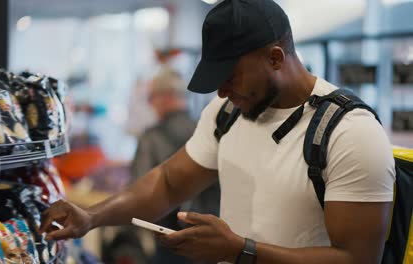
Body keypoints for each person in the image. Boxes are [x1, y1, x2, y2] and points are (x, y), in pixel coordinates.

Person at [40, 1, 395, 263]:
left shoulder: (349, 133)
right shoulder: (227, 113)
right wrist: (93, 217)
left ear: (275, 58)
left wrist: (242, 251)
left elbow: (356, 259)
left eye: (230, 77)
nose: (222, 92)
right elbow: (168, 183)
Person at [131, 66, 220, 264]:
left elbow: (138, 191)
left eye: (151, 97)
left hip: (172, 241)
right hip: (214, 239)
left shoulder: (151, 138)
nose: (150, 104)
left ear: (165, 97)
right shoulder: (208, 132)